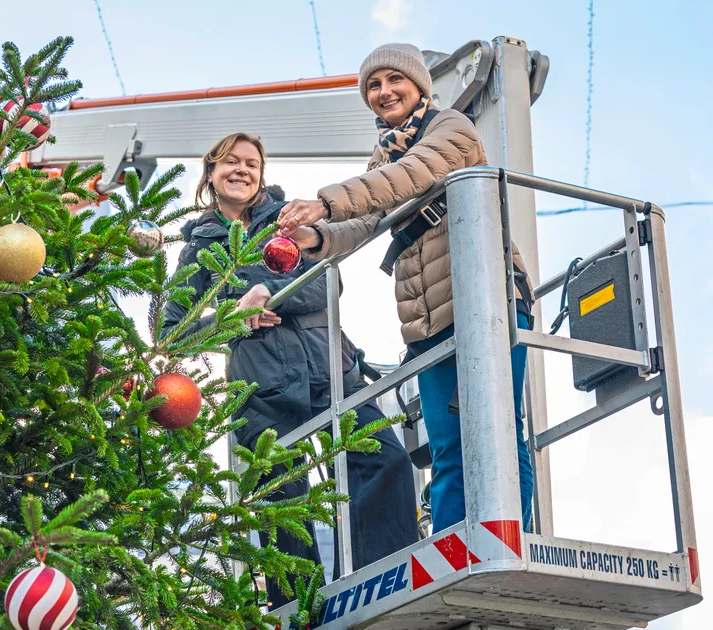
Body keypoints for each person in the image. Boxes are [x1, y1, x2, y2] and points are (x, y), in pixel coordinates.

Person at [275, 43, 536, 534]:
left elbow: (407, 178)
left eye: (394, 80)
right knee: (446, 443)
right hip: (428, 320)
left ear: (420, 86)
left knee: (497, 430)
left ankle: (505, 536)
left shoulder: (451, 130)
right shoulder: (383, 157)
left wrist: (326, 203)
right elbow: (368, 218)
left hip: (487, 305)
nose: (384, 92)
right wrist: (315, 237)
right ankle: (456, 543)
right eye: (373, 86)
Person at [161, 132, 419, 608]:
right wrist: (229, 315)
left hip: (330, 369)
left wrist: (269, 296)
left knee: (383, 459)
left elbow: (327, 284)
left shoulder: (286, 222)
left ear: (262, 174)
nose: (242, 170)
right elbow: (170, 329)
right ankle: (298, 607)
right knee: (282, 499)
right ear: (211, 172)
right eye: (230, 163)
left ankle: (381, 578)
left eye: (251, 164)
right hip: (260, 388)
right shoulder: (198, 246)